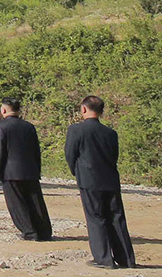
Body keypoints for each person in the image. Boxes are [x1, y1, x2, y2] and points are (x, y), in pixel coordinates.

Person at [65, 95, 135, 270]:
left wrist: (76, 172)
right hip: (110, 179)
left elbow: (70, 154)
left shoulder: (76, 130)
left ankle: (104, 258)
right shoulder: (110, 133)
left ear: (83, 109)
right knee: (117, 217)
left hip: (89, 180)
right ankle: (126, 259)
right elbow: (114, 156)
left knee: (96, 218)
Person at [0, 97, 52, 241]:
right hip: (30, 169)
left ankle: (29, 232)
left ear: (3, 110)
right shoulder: (29, 126)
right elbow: (36, 150)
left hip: (10, 171)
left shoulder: (0, 126)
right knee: (36, 202)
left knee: (17, 203)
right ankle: (44, 231)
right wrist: (37, 168)